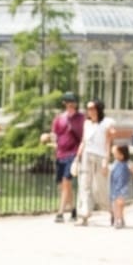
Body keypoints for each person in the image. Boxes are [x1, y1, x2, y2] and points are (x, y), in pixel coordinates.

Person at [46, 92, 84, 222]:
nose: (71, 104)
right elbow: (54, 135)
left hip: (73, 153)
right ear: (64, 103)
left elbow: (83, 136)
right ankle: (73, 210)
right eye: (68, 102)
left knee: (66, 181)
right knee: (63, 185)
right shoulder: (59, 119)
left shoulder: (81, 118)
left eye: (73, 102)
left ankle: (60, 213)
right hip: (60, 154)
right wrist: (47, 138)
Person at [75, 99, 114, 226]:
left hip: (100, 157)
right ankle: (84, 215)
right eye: (88, 108)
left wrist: (105, 161)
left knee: (100, 188)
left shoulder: (106, 124)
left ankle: (112, 211)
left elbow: (108, 144)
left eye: (92, 108)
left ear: (98, 109)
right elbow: (83, 141)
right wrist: (77, 156)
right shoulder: (86, 123)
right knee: (84, 186)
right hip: (86, 156)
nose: (89, 111)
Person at [108, 144, 133, 229]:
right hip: (114, 187)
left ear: (122, 155)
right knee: (115, 205)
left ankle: (118, 220)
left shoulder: (129, 164)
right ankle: (119, 218)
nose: (114, 155)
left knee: (119, 204)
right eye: (114, 154)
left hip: (124, 188)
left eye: (116, 153)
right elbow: (108, 172)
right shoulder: (114, 163)